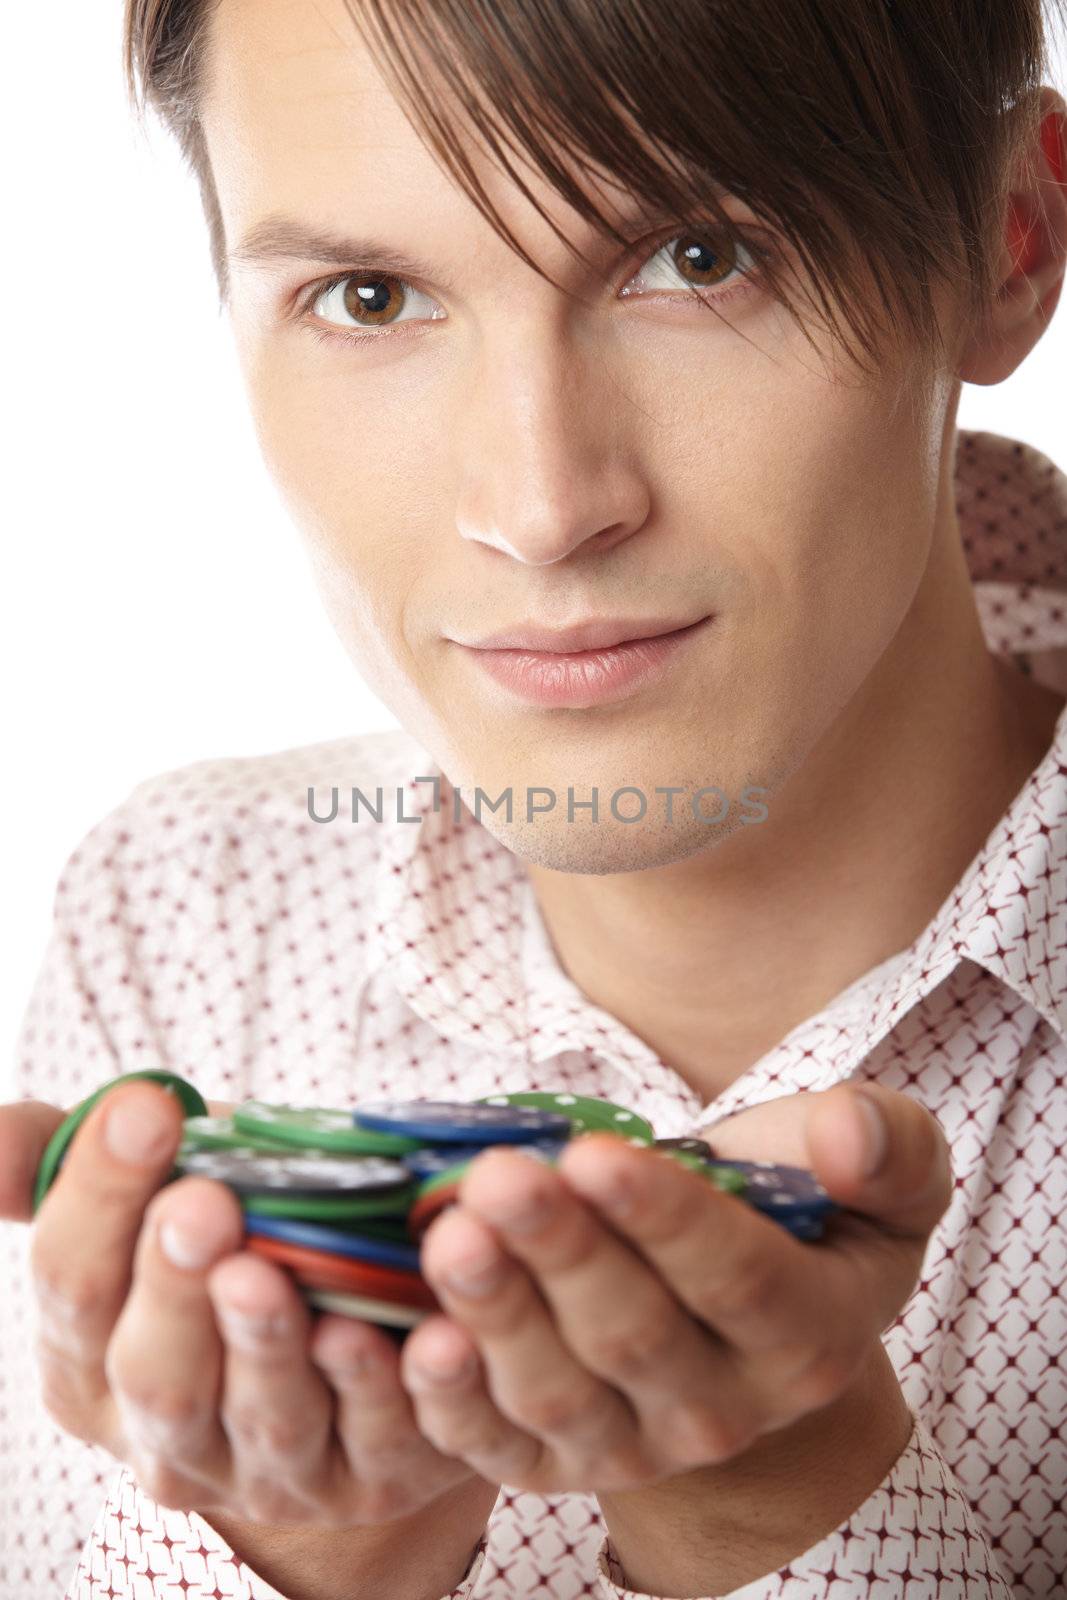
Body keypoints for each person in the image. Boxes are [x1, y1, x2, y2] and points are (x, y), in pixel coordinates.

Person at [1, 0, 1066, 1595]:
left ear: (1011, 243)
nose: (544, 504)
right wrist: (297, 1550)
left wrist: (782, 1510)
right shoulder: (184, 913)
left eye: (702, 259)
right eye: (368, 295)